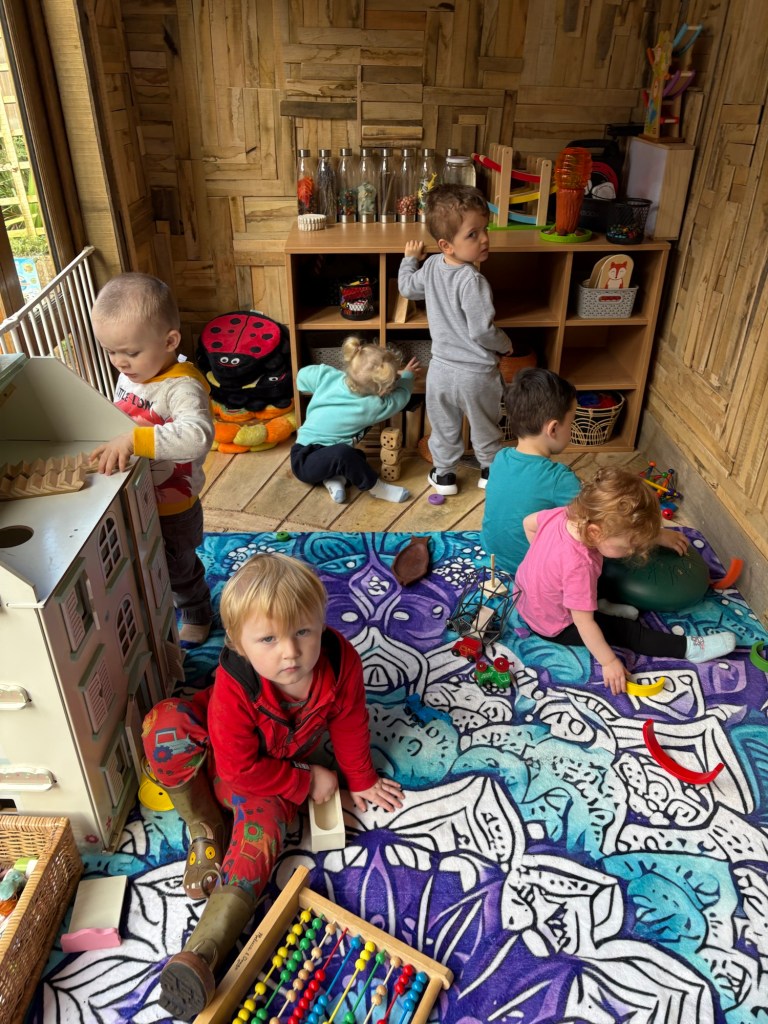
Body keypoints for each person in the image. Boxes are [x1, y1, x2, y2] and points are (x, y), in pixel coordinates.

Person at [142, 552, 404, 1020]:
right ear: (239, 645)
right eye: (268, 639)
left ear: (321, 623)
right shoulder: (235, 682)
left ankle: (202, 953)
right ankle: (205, 827)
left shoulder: (340, 661)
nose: (290, 652)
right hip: (232, 758)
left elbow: (349, 721)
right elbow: (237, 768)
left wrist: (361, 779)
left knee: (259, 840)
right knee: (163, 725)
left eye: (303, 632)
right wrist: (308, 780)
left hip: (269, 777)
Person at [514, 467, 737, 696]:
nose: (632, 551)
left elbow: (528, 523)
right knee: (627, 631)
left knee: (602, 569)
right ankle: (690, 648)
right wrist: (609, 662)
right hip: (554, 625)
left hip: (523, 599)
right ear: (595, 532)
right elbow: (584, 624)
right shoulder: (579, 566)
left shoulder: (566, 515)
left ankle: (598, 603)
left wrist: (544, 563)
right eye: (629, 545)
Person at [90, 273, 215, 644]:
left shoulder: (182, 386)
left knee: (179, 568)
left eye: (130, 353)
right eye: (111, 352)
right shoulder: (133, 374)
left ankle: (197, 612)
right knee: (143, 560)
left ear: (169, 341)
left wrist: (134, 440)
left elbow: (197, 436)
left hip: (174, 505)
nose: (120, 362)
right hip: (138, 493)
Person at [482, 367, 691, 575]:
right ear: (553, 429)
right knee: (607, 548)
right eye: (571, 422)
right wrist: (655, 535)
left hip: (494, 555)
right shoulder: (559, 479)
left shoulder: (500, 458)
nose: (572, 428)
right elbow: (606, 520)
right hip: (532, 568)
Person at [398, 183, 512, 496]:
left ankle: (445, 475)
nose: (484, 239)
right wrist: (506, 344)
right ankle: (490, 472)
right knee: (485, 425)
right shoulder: (473, 280)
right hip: (476, 375)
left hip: (441, 372)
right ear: (446, 245)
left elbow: (407, 288)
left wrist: (409, 259)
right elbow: (482, 331)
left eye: (485, 229)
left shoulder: (432, 266)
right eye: (473, 234)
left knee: (444, 426)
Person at [291, 335, 418, 504]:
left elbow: (301, 376)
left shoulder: (328, 376)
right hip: (305, 460)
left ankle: (334, 480)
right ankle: (376, 488)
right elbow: (400, 398)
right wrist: (407, 377)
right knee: (344, 454)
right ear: (382, 391)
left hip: (314, 454)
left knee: (355, 457)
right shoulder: (373, 405)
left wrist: (313, 388)